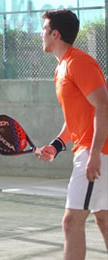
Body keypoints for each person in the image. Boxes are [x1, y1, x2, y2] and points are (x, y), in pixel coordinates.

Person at [36, 9, 108, 259]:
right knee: (104, 219)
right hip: (92, 150)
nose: (41, 34)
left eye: (43, 29)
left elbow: (103, 105)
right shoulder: (61, 69)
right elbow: (75, 120)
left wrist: (95, 153)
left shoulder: (79, 62)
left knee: (71, 222)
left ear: (55, 34)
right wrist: (55, 146)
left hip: (95, 152)